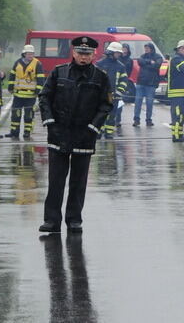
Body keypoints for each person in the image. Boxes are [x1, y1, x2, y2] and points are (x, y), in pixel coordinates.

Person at [38, 36, 112, 234]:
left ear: (93, 55)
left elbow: (106, 105)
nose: (83, 57)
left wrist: (93, 129)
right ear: (73, 52)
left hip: (84, 136)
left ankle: (74, 220)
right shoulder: (58, 72)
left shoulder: (100, 77)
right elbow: (44, 97)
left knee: (78, 183)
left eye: (87, 54)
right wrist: (49, 122)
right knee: (55, 182)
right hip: (58, 134)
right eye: (80, 53)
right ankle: (52, 221)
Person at [6, 44, 46, 139]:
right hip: (18, 94)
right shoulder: (17, 63)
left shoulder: (37, 64)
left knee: (29, 116)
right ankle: (14, 132)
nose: (30, 56)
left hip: (30, 95)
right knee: (16, 114)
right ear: (24, 54)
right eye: (28, 54)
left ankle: (27, 132)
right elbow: (12, 75)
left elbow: (41, 78)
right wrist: (10, 87)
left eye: (32, 54)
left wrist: (38, 90)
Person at [95, 42, 129, 139]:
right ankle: (98, 131)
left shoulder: (120, 66)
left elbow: (124, 80)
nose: (118, 55)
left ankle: (109, 132)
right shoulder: (100, 64)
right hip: (101, 95)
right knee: (100, 113)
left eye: (119, 53)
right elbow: (94, 79)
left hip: (114, 95)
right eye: (117, 53)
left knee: (112, 114)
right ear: (111, 52)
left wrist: (119, 91)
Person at [133, 42, 162, 127]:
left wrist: (146, 64)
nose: (146, 49)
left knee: (149, 103)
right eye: (145, 48)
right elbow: (140, 61)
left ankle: (148, 120)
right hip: (140, 83)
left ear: (152, 48)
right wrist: (150, 62)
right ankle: (136, 119)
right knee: (138, 102)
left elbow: (157, 65)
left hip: (151, 84)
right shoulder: (142, 56)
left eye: (147, 48)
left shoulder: (158, 57)